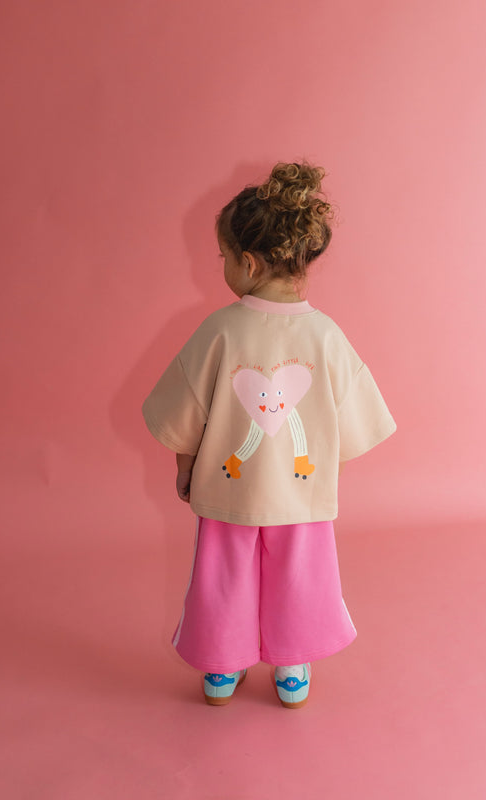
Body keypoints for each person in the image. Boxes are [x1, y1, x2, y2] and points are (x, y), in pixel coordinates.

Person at [142, 162, 396, 708]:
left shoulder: (219, 330)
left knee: (224, 573)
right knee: (299, 575)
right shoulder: (326, 335)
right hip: (301, 496)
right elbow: (350, 422)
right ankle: (292, 663)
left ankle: (222, 664)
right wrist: (321, 476)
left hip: (228, 488)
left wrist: (185, 469)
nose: (222, 266)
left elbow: (184, 411)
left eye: (224, 257)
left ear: (249, 262)